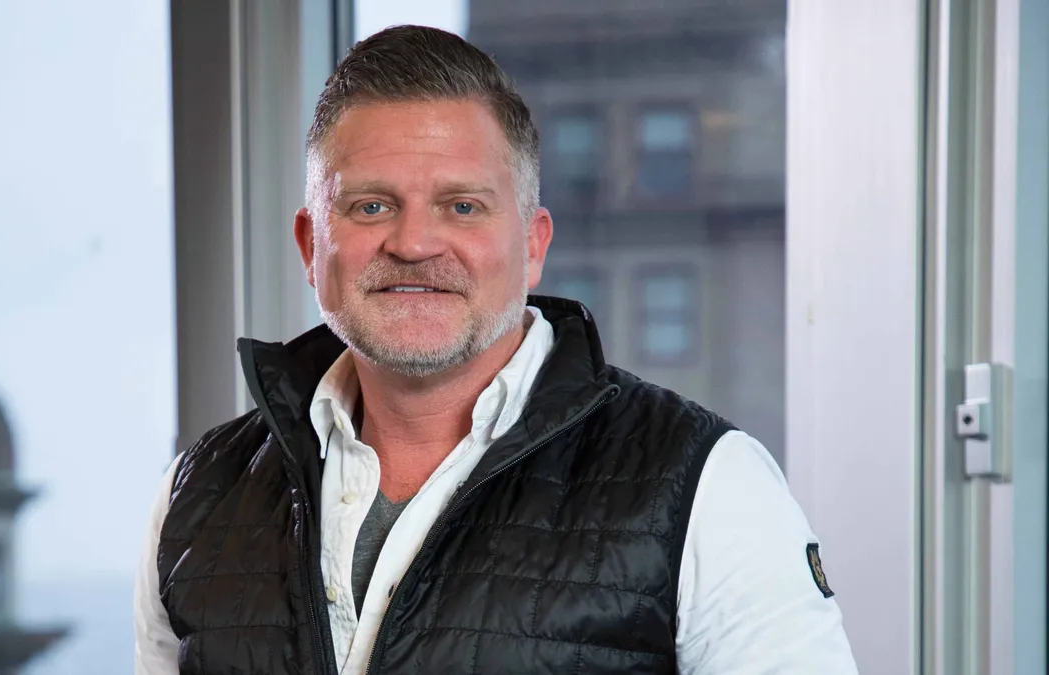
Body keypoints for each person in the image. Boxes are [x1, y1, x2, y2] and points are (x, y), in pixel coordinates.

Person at [135, 24, 858, 675]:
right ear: (309, 244)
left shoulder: (707, 485)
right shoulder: (196, 496)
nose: (414, 243)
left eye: (462, 206)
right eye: (370, 206)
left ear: (533, 245)